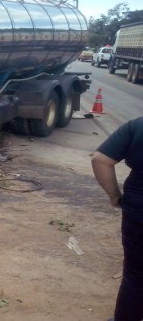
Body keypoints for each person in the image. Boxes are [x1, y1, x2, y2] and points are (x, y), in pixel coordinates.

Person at [91, 116, 143, 321]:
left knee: (136, 276)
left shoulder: (137, 126)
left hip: (139, 211)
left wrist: (114, 195)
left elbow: (100, 160)